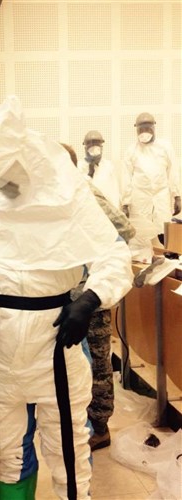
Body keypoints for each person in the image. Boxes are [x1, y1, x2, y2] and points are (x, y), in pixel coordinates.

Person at [0, 96, 133, 499]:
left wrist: (90, 300)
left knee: (67, 444)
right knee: (7, 446)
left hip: (55, 341)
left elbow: (114, 255)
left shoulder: (70, 200)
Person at [64, 142, 135, 452]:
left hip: (92, 293)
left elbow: (123, 228)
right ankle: (82, 421)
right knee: (77, 365)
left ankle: (100, 427)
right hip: (69, 293)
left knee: (97, 364)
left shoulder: (84, 192)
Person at [122, 112, 181, 259]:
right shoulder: (131, 150)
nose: (144, 132)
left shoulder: (165, 147)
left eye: (147, 128)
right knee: (141, 232)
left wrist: (177, 195)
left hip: (161, 194)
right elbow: (126, 178)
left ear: (154, 127)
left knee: (164, 228)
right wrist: (125, 202)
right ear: (136, 130)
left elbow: (173, 171)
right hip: (140, 196)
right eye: (141, 129)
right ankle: (144, 260)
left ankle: (170, 259)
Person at [77, 131, 121, 208]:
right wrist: (90, 173)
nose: (94, 150)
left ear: (101, 148)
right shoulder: (79, 166)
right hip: (87, 209)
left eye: (97, 147)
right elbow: (80, 190)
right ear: (85, 149)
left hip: (107, 209)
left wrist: (116, 209)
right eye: (91, 147)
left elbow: (114, 191)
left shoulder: (108, 166)